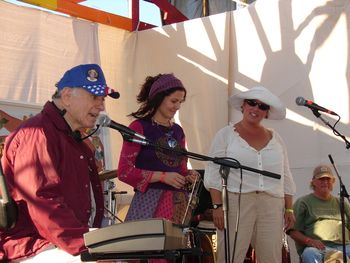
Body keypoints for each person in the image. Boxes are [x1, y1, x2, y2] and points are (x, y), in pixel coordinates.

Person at [0, 63, 120, 262]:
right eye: (94, 97)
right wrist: (85, 245)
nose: (101, 106)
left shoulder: (71, 137)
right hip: (32, 244)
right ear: (66, 96)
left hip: (60, 240)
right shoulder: (38, 133)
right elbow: (41, 201)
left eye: (103, 99)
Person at [204, 86, 296, 263]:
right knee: (230, 256)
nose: (256, 109)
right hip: (236, 201)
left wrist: (289, 208)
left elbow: (285, 174)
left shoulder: (276, 138)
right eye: (252, 103)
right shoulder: (225, 135)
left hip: (272, 204)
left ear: (267, 113)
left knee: (272, 257)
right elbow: (213, 172)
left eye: (262, 106)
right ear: (243, 106)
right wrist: (217, 206)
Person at [117, 73, 198, 262]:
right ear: (159, 97)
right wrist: (161, 176)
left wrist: (189, 175)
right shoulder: (139, 127)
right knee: (148, 253)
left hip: (178, 204)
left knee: (173, 256)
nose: (177, 107)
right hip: (150, 202)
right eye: (173, 101)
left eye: (181, 102)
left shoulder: (178, 131)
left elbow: (181, 168)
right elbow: (125, 171)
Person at [288, 164, 350, 263]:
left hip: (345, 247)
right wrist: (309, 241)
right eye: (321, 179)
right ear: (313, 182)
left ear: (333, 182)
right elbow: (292, 231)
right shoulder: (303, 202)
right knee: (309, 254)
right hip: (319, 249)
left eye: (328, 179)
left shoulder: (342, 203)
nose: (325, 182)